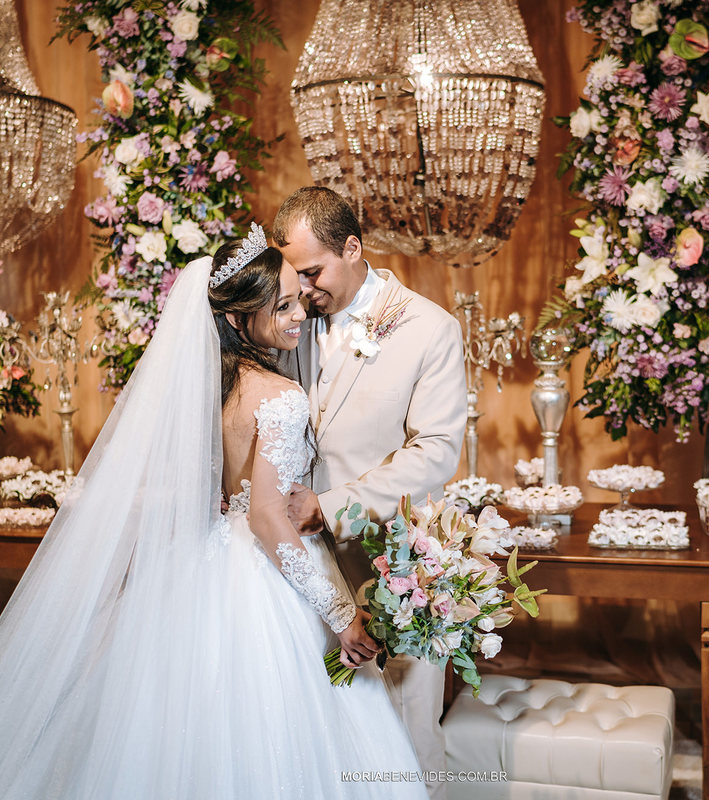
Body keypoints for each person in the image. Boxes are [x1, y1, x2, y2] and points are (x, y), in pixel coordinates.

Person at [0, 227, 426, 799]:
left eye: (298, 299)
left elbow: (216, 489)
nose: (300, 316)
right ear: (239, 319)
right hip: (265, 576)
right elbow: (268, 517)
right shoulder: (280, 396)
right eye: (283, 306)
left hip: (206, 560)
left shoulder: (209, 388)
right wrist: (341, 615)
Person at [272, 187, 466, 800]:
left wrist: (330, 506)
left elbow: (436, 451)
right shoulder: (294, 323)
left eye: (313, 271)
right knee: (331, 734)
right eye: (294, 275)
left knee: (407, 735)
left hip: (396, 562)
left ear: (353, 248)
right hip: (307, 567)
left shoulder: (429, 329)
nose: (302, 290)